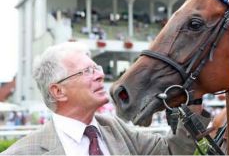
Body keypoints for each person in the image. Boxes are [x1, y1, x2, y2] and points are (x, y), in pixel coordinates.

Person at [1, 42, 209, 155]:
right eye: (87, 71)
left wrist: (196, 99)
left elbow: (172, 150)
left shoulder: (117, 129)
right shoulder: (22, 153)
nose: (100, 75)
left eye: (96, 68)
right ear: (58, 92)